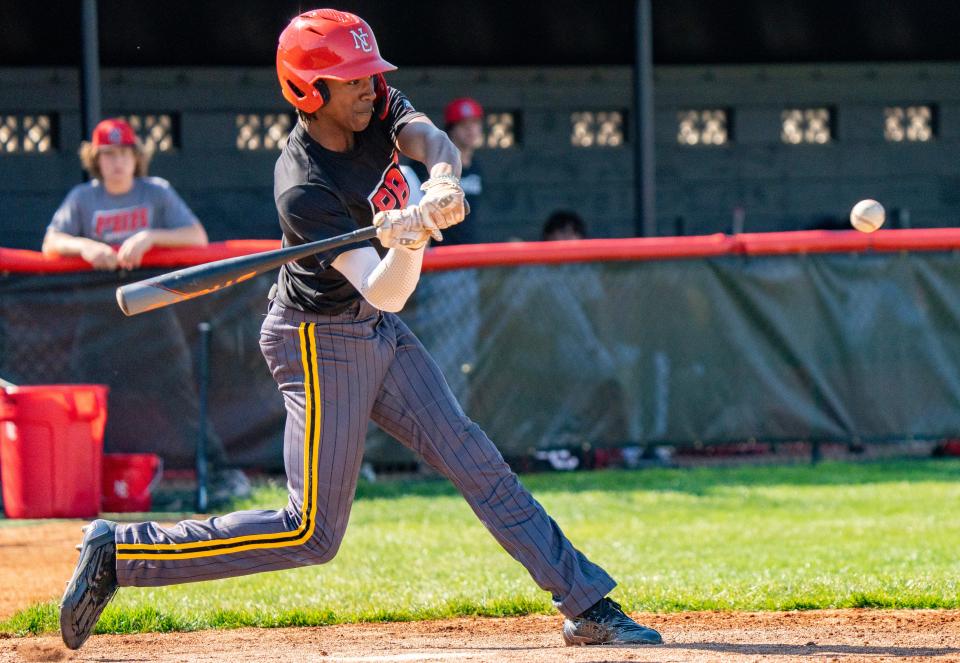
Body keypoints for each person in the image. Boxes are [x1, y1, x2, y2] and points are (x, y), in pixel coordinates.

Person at [58, 9, 662, 651]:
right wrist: (412, 242)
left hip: (372, 324)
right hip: (319, 340)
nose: (370, 88)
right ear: (308, 91)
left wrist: (442, 182)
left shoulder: (374, 107)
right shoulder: (304, 189)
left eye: (371, 76)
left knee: (473, 457)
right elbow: (386, 289)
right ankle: (121, 552)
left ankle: (587, 603)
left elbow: (431, 138)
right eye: (352, 80)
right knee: (310, 534)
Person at [43, 117, 251, 506]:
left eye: (124, 154)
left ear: (136, 157)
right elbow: (50, 243)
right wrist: (85, 247)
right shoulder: (83, 198)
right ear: (96, 159)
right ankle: (79, 482)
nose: (117, 162)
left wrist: (150, 237)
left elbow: (197, 236)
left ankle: (222, 475)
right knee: (86, 400)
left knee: (180, 397)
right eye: (108, 155)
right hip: (99, 315)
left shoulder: (155, 192)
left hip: (153, 312)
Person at [411, 97, 484, 245]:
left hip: (468, 250)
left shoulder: (476, 167)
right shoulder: (428, 164)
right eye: (464, 124)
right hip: (436, 251)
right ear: (451, 129)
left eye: (475, 123)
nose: (471, 130)